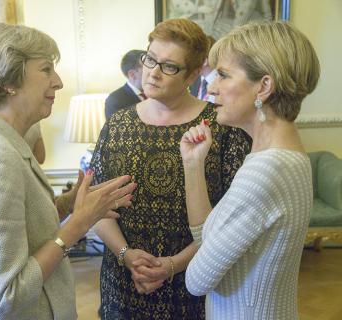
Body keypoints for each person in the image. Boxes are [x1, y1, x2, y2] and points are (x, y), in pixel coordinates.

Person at [0, 22, 136, 319]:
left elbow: (21, 227)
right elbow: (5, 295)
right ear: (9, 80)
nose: (57, 81)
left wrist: (69, 204)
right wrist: (78, 224)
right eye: (46, 69)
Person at [91, 18, 251, 319]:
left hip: (193, 281)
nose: (152, 72)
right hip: (124, 282)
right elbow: (97, 209)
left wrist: (173, 265)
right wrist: (127, 257)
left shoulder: (222, 127)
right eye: (150, 59)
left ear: (191, 74)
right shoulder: (118, 125)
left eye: (169, 66)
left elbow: (228, 221)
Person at [181, 21, 320, 319]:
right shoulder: (280, 158)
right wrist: (193, 166)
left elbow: (196, 281)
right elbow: (210, 240)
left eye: (223, 75)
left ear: (264, 86)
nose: (211, 86)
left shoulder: (266, 172)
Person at [105, 49, 146, 119]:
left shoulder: (156, 94)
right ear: (132, 74)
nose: (153, 73)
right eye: (147, 69)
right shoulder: (115, 100)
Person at [189, 36, 216, 103]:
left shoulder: (221, 86)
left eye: (192, 58)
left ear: (204, 61)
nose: (189, 62)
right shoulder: (194, 79)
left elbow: (212, 113)